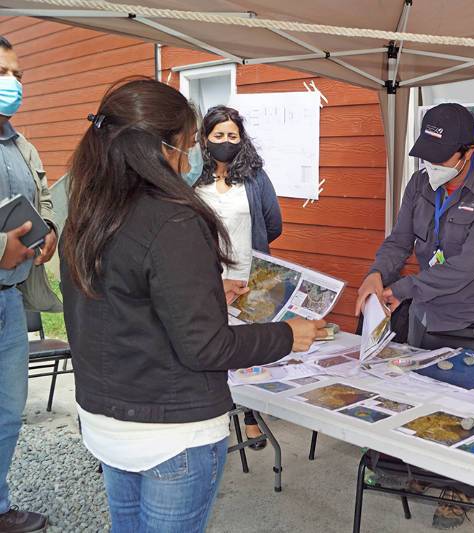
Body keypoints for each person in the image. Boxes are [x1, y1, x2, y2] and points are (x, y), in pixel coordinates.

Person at [60, 78, 327, 533]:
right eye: (186, 146)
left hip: (106, 419)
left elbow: (121, 302)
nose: (190, 159)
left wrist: (202, 292)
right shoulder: (172, 217)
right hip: (170, 431)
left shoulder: (87, 209)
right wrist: (287, 336)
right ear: (159, 148)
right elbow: (207, 347)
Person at [355, 103, 474, 529]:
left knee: (464, 406)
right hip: (423, 309)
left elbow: (465, 267)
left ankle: (460, 489)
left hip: (467, 313)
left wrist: (399, 290)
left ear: (468, 151)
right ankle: (421, 471)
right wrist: (376, 274)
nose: (432, 165)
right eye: (427, 155)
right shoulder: (420, 183)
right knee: (419, 396)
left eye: (441, 158)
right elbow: (400, 239)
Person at [0, 36, 63, 533]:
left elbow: (42, 200)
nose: (12, 82)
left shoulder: (22, 144)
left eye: (17, 74)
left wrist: (50, 234)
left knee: (6, 413)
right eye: (2, 72)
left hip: (12, 299)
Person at [196, 105, 282, 450]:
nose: (226, 141)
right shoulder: (191, 178)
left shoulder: (255, 177)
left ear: (241, 139)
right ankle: (217, 414)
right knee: (213, 346)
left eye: (232, 135)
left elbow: (273, 222)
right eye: (219, 136)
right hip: (205, 278)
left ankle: (250, 418)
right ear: (205, 139)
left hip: (249, 277)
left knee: (248, 352)